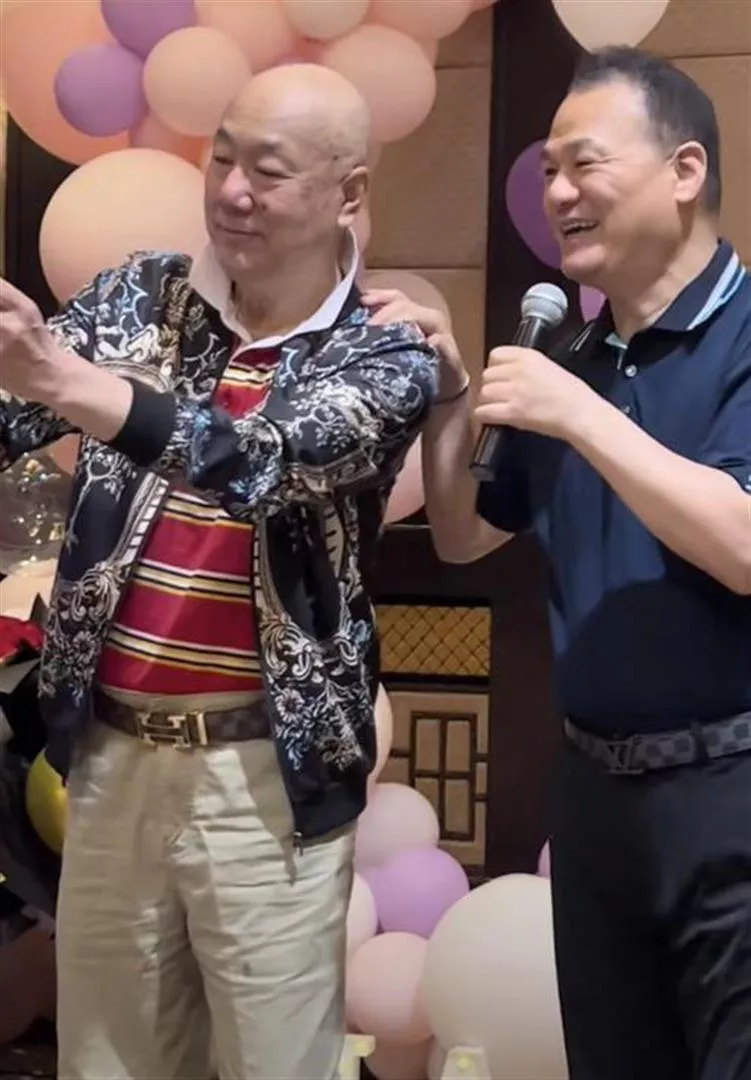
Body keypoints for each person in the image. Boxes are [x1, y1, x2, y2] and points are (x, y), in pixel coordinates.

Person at [0, 64, 439, 1080]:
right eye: (222, 159)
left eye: (268, 171)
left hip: (264, 780)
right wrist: (30, 368)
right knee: (106, 1063)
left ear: (349, 193)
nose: (233, 190)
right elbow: (17, 409)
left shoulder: (383, 351)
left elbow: (262, 462)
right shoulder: (139, 297)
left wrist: (70, 381)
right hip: (109, 761)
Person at [365, 46, 751, 1080]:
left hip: (731, 791)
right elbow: (463, 535)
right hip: (593, 799)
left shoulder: (739, 335)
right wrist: (455, 397)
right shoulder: (574, 359)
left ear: (684, 170)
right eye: (546, 171)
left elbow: (744, 545)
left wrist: (578, 414)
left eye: (584, 163)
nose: (558, 194)